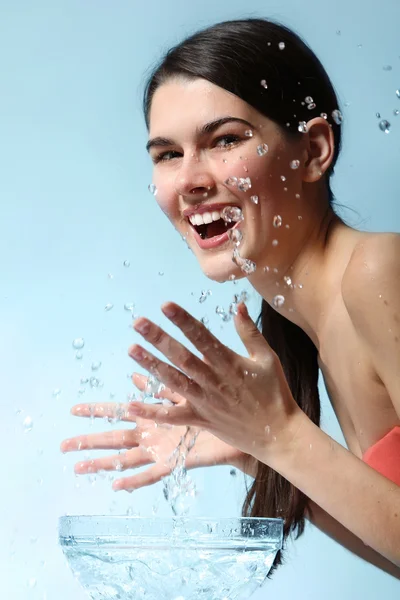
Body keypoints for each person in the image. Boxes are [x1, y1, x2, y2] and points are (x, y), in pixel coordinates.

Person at [60, 18, 400, 577]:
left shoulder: (377, 273)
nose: (190, 181)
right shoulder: (309, 319)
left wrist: (284, 437)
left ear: (314, 150)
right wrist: (254, 448)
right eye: (167, 154)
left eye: (225, 140)